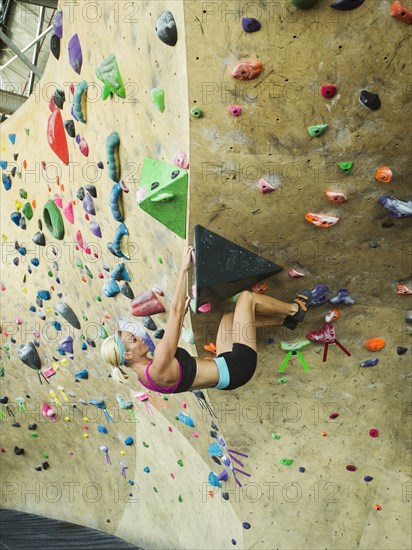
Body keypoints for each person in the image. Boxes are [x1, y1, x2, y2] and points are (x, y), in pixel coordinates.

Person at [100, 245, 311, 394]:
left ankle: (284, 321)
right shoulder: (158, 363)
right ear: (128, 354)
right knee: (246, 299)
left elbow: (188, 382)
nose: (140, 337)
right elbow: (175, 311)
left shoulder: (146, 381)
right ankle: (295, 310)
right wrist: (184, 269)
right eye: (134, 340)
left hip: (226, 375)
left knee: (230, 318)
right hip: (238, 366)